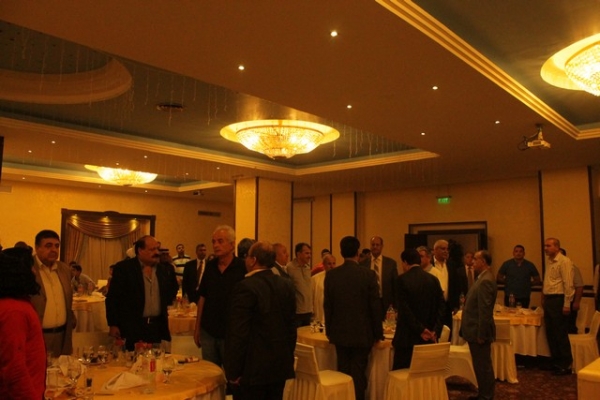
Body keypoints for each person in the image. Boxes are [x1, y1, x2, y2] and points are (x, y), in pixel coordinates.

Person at [225, 241, 297, 400]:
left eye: (247, 256)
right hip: (279, 365)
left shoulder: (245, 287)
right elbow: (291, 328)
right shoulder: (286, 285)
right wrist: (287, 356)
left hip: (252, 369)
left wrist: (233, 370)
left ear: (253, 260)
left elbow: (239, 333)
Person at [324, 236, 383, 400]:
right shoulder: (368, 275)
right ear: (358, 252)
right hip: (362, 333)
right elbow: (374, 306)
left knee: (343, 371)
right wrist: (378, 333)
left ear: (341, 252)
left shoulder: (332, 275)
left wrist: (329, 331)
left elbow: (328, 306)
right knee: (358, 372)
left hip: (339, 332)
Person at [106, 235, 179, 350]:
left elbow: (172, 290)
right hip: (132, 326)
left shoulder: (164, 270)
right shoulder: (124, 269)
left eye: (157, 249)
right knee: (132, 359)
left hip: (156, 326)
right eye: (152, 249)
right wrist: (113, 324)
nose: (157, 253)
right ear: (140, 250)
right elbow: (113, 298)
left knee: (155, 359)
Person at [194, 225, 246, 367]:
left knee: (232, 371)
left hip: (232, 332)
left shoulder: (242, 267)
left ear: (232, 244)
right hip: (209, 330)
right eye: (214, 241)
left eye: (220, 241)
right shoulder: (210, 266)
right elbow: (202, 297)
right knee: (210, 371)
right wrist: (197, 328)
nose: (216, 245)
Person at [0, 247, 46, 400]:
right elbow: (14, 368)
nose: (34, 272)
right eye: (31, 267)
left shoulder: (18, 304)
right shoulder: (14, 310)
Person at [392, 248, 445, 369]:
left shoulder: (402, 280)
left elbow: (405, 310)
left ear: (405, 262)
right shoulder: (433, 279)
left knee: (402, 374)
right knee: (425, 374)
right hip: (429, 337)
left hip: (407, 338)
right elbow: (441, 307)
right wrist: (435, 330)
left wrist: (420, 330)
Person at [31, 229, 76, 356]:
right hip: (37, 335)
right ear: (37, 248)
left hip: (62, 336)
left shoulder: (64, 269)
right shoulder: (28, 269)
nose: (54, 250)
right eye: (48, 246)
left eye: (57, 246)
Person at [461, 250, 497, 400]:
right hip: (474, 329)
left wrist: (481, 334)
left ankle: (486, 396)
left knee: (483, 366)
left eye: (475, 259)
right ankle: (483, 393)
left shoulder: (485, 280)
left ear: (483, 261)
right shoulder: (481, 278)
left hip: (478, 331)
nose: (472, 262)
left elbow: (485, 311)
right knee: (480, 364)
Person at [541, 238, 574, 375]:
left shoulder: (564, 261)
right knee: (550, 332)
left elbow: (568, 284)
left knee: (560, 333)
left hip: (558, 299)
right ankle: (556, 361)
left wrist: (567, 304)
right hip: (549, 299)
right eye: (545, 246)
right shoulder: (549, 262)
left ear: (557, 247)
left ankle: (566, 364)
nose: (545, 248)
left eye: (548, 246)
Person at [360, 236, 398, 317]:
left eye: (377, 245)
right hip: (368, 303)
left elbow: (395, 286)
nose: (375, 247)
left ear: (382, 246)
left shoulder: (390, 264)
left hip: (386, 303)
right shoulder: (363, 264)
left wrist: (395, 306)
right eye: (373, 244)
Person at [432, 239, 460, 332]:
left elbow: (455, 286)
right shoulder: (429, 264)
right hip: (433, 306)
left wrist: (456, 305)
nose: (446, 251)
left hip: (448, 305)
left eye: (447, 249)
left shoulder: (451, 265)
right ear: (435, 250)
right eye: (443, 249)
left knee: (447, 332)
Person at [286, 242, 313, 327]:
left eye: (310, 253)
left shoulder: (308, 268)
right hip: (297, 312)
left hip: (308, 310)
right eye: (306, 253)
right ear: (298, 254)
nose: (309, 256)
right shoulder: (289, 268)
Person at [559, 248, 584, 334]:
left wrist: (576, 302)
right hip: (557, 299)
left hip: (570, 299)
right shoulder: (552, 267)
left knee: (569, 324)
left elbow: (579, 286)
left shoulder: (572, 267)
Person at [311, 253, 336, 323]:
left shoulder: (339, 279)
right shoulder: (315, 279)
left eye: (334, 263)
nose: (332, 266)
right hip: (320, 314)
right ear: (324, 265)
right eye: (329, 264)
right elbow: (311, 297)